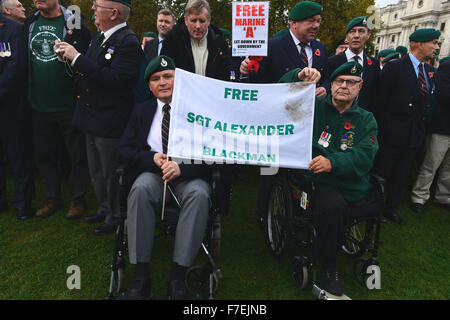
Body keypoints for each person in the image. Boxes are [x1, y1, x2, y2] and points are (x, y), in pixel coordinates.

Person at [116, 55, 212, 300]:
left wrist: (183, 168)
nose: (162, 82)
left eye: (168, 76)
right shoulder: (141, 111)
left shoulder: (198, 112)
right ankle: (140, 278)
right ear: (149, 85)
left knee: (199, 195)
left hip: (188, 175)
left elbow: (214, 155)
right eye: (156, 79)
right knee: (138, 191)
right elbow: (123, 150)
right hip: (153, 174)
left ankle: (177, 278)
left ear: (178, 80)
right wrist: (151, 159)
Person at [279, 61, 378, 298]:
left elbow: (365, 154)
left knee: (369, 199)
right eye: (339, 81)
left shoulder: (366, 119)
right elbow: (279, 95)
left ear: (360, 86)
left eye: (351, 82)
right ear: (331, 84)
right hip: (319, 183)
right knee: (332, 206)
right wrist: (297, 74)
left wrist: (333, 162)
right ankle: (328, 271)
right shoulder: (313, 107)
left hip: (352, 184)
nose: (344, 86)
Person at [56, 0, 142, 235]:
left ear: (113, 13)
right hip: (90, 116)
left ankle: (115, 215)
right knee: (96, 171)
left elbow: (116, 81)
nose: (92, 9)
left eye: (97, 5)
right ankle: (104, 208)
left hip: (109, 120)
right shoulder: (99, 37)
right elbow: (89, 73)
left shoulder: (128, 42)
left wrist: (78, 58)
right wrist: (69, 59)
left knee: (110, 172)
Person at [24, 0, 91, 220]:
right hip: (39, 103)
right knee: (45, 155)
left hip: (69, 103)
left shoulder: (73, 16)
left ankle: (77, 200)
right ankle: (52, 198)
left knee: (76, 155)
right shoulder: (31, 21)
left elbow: (86, 53)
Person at [374, 28, 440, 225]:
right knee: (382, 172)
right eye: (434, 43)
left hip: (414, 134)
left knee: (401, 174)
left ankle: (391, 208)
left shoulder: (428, 71)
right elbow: (380, 101)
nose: (437, 47)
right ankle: (374, 208)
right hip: (392, 132)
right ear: (419, 44)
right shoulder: (395, 68)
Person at [239, 1, 330, 96]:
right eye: (311, 21)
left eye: (318, 21)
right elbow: (258, 82)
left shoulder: (320, 48)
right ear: (294, 23)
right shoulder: (272, 46)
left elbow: (326, 77)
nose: (316, 26)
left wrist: (324, 88)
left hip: (312, 108)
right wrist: (247, 71)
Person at [0, 11, 34, 221]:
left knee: (18, 157)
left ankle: (23, 203)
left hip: (10, 107)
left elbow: (16, 67)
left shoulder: (14, 29)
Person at [410, 59, 450, 213]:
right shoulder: (447, 67)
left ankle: (443, 196)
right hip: (442, 127)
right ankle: (419, 197)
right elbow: (444, 94)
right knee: (431, 164)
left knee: (448, 167)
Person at [161, 0, 230, 81]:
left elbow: (225, 76)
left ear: (208, 21)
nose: (198, 26)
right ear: (186, 20)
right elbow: (164, 73)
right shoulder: (172, 41)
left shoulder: (220, 43)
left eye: (202, 21)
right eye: (193, 20)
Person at [328, 16, 379, 113]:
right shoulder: (332, 62)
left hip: (362, 119)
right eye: (352, 31)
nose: (356, 35)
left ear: (368, 35)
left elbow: (375, 94)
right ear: (347, 37)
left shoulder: (374, 64)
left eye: (361, 31)